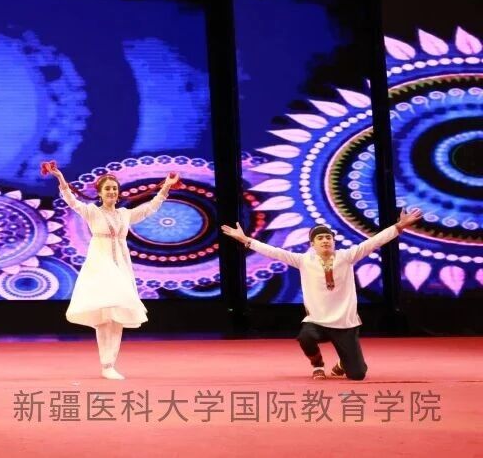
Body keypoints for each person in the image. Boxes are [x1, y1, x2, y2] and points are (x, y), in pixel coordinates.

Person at [221, 207, 422, 380]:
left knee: (358, 375)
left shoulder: (347, 256)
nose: (325, 240)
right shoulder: (303, 261)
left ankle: (343, 364)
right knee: (305, 337)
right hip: (317, 321)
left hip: (345, 323)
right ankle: (317, 364)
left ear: (333, 241)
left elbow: (374, 241)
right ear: (312, 244)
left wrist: (399, 226)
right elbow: (274, 252)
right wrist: (245, 240)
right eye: (320, 238)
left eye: (328, 237)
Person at [42, 160, 180, 379]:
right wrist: (59, 177)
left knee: (116, 317)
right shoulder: (92, 212)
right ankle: (107, 364)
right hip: (100, 266)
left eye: (114, 188)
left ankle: (109, 364)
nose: (112, 192)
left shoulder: (124, 214)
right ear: (99, 192)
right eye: (107, 188)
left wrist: (166, 187)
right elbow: (71, 200)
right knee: (103, 318)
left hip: (121, 266)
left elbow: (149, 208)